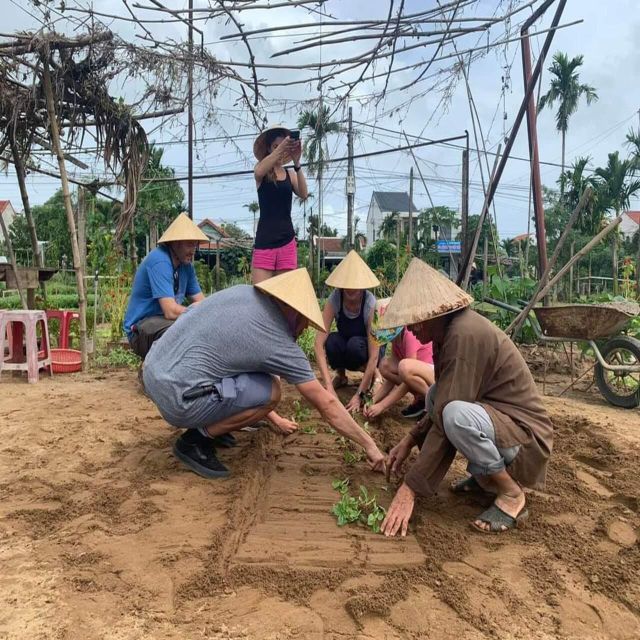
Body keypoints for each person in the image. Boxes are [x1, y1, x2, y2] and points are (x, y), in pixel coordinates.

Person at [143, 268, 386, 479]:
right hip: (178, 399)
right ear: (294, 313)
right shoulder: (276, 339)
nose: (303, 332)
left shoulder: (242, 292)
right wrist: (369, 445)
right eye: (305, 323)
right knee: (272, 392)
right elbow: (327, 404)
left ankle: (214, 424)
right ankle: (195, 440)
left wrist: (275, 419)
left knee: (255, 381)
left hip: (155, 369)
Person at [378, 258, 553, 536]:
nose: (409, 329)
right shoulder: (446, 333)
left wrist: (410, 488)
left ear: (432, 312)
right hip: (503, 424)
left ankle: (510, 493)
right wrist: (410, 439)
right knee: (437, 394)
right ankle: (486, 479)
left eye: (413, 320)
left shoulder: (463, 335)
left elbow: (448, 417)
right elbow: (442, 398)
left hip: (526, 440)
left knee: (455, 416)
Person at [123, 212, 208, 359]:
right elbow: (170, 311)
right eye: (189, 244)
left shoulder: (186, 267)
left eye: (195, 244)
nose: (193, 250)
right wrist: (199, 312)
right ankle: (152, 369)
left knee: (199, 329)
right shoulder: (160, 261)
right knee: (182, 333)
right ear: (176, 243)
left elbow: (202, 302)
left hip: (162, 324)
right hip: (140, 329)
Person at [314, 250, 380, 413]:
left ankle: (374, 377)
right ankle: (341, 376)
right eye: (347, 285)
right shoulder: (335, 298)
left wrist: (359, 395)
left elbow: (374, 354)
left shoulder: (370, 304)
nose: (351, 289)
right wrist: (328, 386)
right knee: (332, 342)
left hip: (363, 348)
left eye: (355, 285)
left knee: (354, 345)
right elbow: (318, 343)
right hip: (346, 342)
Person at [252, 125, 308, 284]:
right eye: (275, 146)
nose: (280, 149)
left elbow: (304, 194)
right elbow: (258, 172)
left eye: (282, 145)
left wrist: (297, 163)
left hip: (287, 242)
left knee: (284, 298)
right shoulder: (261, 172)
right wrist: (281, 149)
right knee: (260, 296)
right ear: (269, 149)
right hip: (264, 242)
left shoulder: (290, 174)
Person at [364, 299, 435, 421]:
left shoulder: (410, 335)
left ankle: (431, 402)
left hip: (432, 376)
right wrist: (374, 400)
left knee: (405, 368)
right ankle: (421, 398)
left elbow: (407, 375)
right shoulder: (396, 339)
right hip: (417, 375)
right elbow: (390, 380)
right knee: (385, 365)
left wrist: (382, 405)